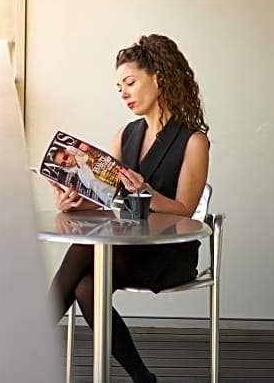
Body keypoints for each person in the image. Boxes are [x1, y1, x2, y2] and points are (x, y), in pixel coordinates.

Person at [47, 34, 209, 383]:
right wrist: (75, 202)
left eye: (130, 82)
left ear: (159, 79)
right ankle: (143, 378)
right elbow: (109, 199)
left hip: (168, 252)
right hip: (127, 248)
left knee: (84, 251)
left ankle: (25, 344)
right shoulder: (125, 134)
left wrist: (146, 191)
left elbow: (185, 208)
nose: (123, 92)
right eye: (119, 86)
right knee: (85, 287)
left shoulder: (193, 141)